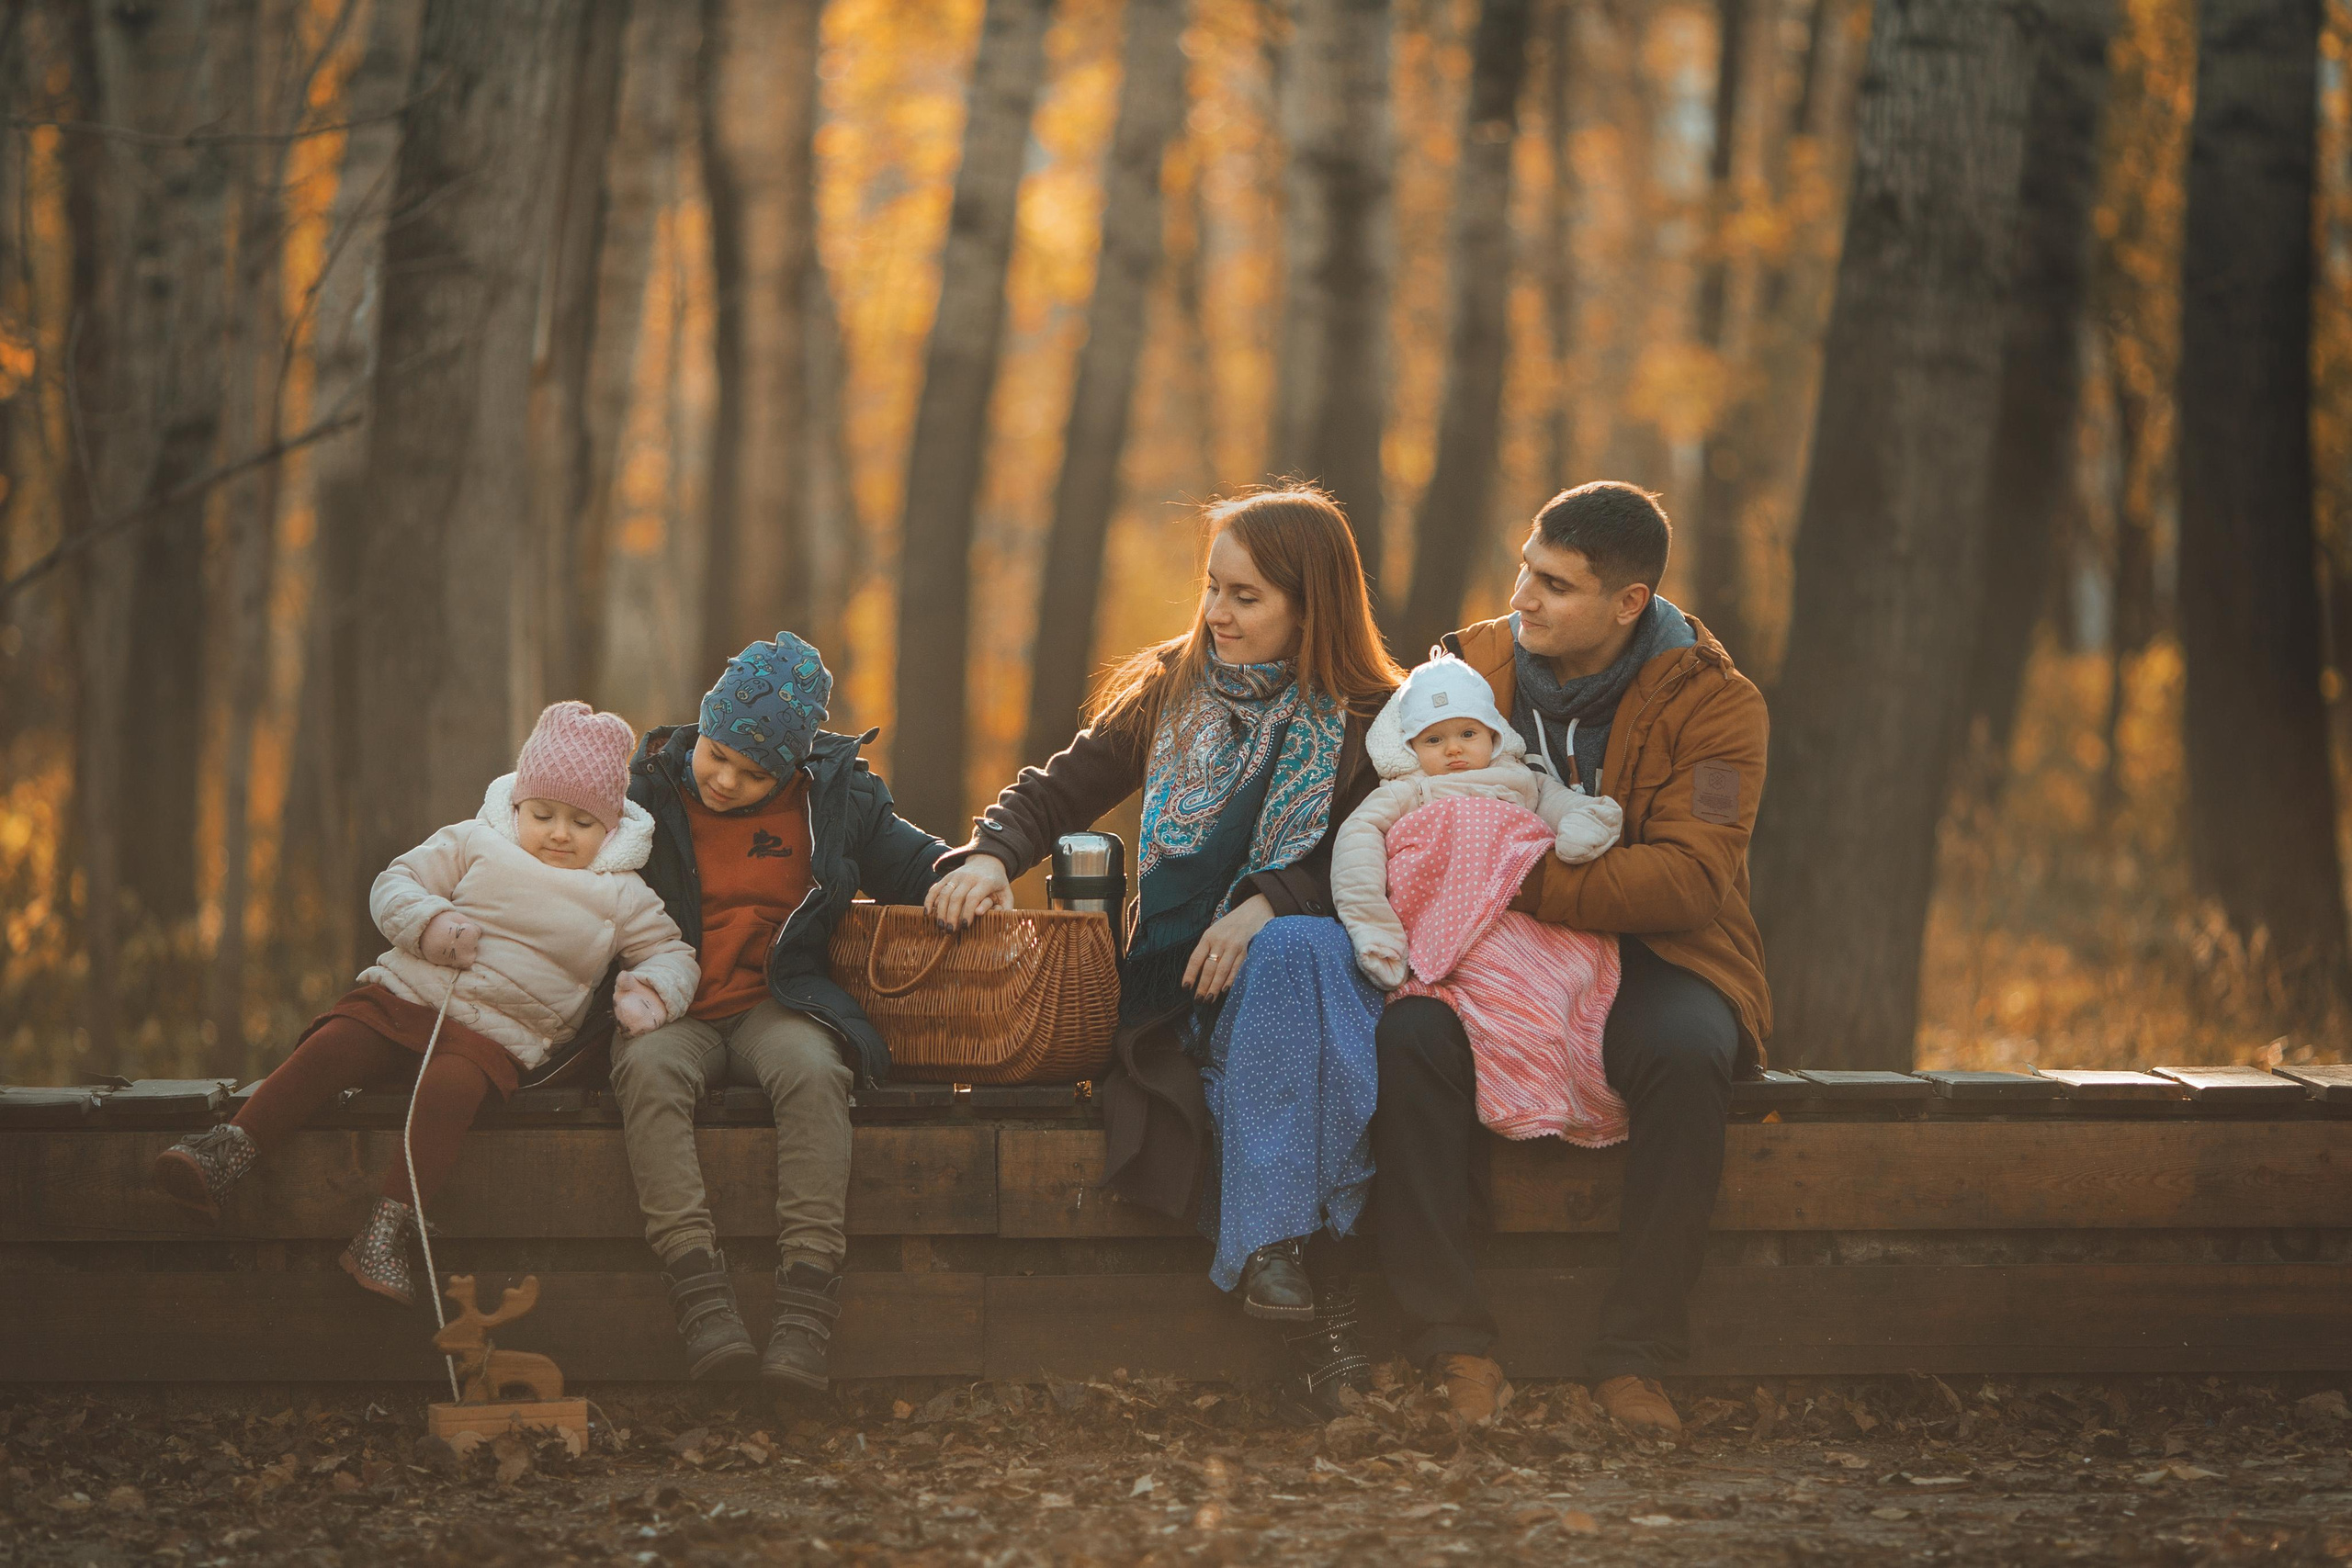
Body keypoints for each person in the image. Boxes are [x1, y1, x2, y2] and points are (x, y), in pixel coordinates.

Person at [924, 485, 1402, 1419]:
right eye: (1212, 588)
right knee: (1274, 1042)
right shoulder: (1170, 686)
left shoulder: (1373, 723)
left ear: (1312, 605)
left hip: (1307, 986)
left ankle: (1278, 1265)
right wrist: (989, 857)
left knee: (1297, 952)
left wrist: (1268, 902)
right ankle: (1320, 1318)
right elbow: (1058, 792)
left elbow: (1382, 858)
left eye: (1247, 596)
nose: (1217, 613)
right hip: (1170, 996)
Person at [1373, 481, 1771, 1434]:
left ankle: (1635, 1358)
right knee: (1410, 1038)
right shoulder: (1467, 669)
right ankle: (1452, 1347)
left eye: (1553, 583)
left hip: (1658, 953)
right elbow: (1387, 805)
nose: (1521, 596)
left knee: (1687, 1054)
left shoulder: (1715, 705)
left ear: (1628, 603)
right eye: (1523, 568)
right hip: (1484, 954)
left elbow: (1686, 882)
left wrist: (1510, 875)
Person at [150, 702, 701, 1304]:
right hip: (407, 995)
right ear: (518, 805)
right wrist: (432, 922)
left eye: (582, 822)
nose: (560, 833)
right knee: (336, 1042)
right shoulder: (474, 841)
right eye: (543, 814)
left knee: (451, 1092)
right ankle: (229, 1149)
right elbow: (395, 883)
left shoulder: (620, 893)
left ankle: (384, 1233)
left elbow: (673, 954)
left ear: (611, 829)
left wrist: (648, 992)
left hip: (495, 1036)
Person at [614, 632, 953, 1393]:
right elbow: (562, 859)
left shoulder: (837, 802)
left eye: (753, 771)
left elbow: (917, 864)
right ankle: (699, 1293)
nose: (726, 779)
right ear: (703, 727)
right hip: (671, 1004)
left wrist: (971, 871)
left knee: (814, 1069)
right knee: (646, 1069)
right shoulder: (648, 793)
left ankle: (805, 1301)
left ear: (793, 769)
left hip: (779, 998)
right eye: (718, 755)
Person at [1329, 653, 1628, 1145]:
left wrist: (1581, 827)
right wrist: (1373, 927)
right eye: (1433, 739)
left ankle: (1542, 1058)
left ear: (1494, 735)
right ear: (1409, 749)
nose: (1453, 751)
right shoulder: (1407, 790)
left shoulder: (1520, 780)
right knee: (1479, 1004)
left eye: (1467, 734)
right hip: (1449, 935)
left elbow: (1570, 806)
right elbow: (1356, 846)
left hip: (1526, 927)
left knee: (1549, 996)